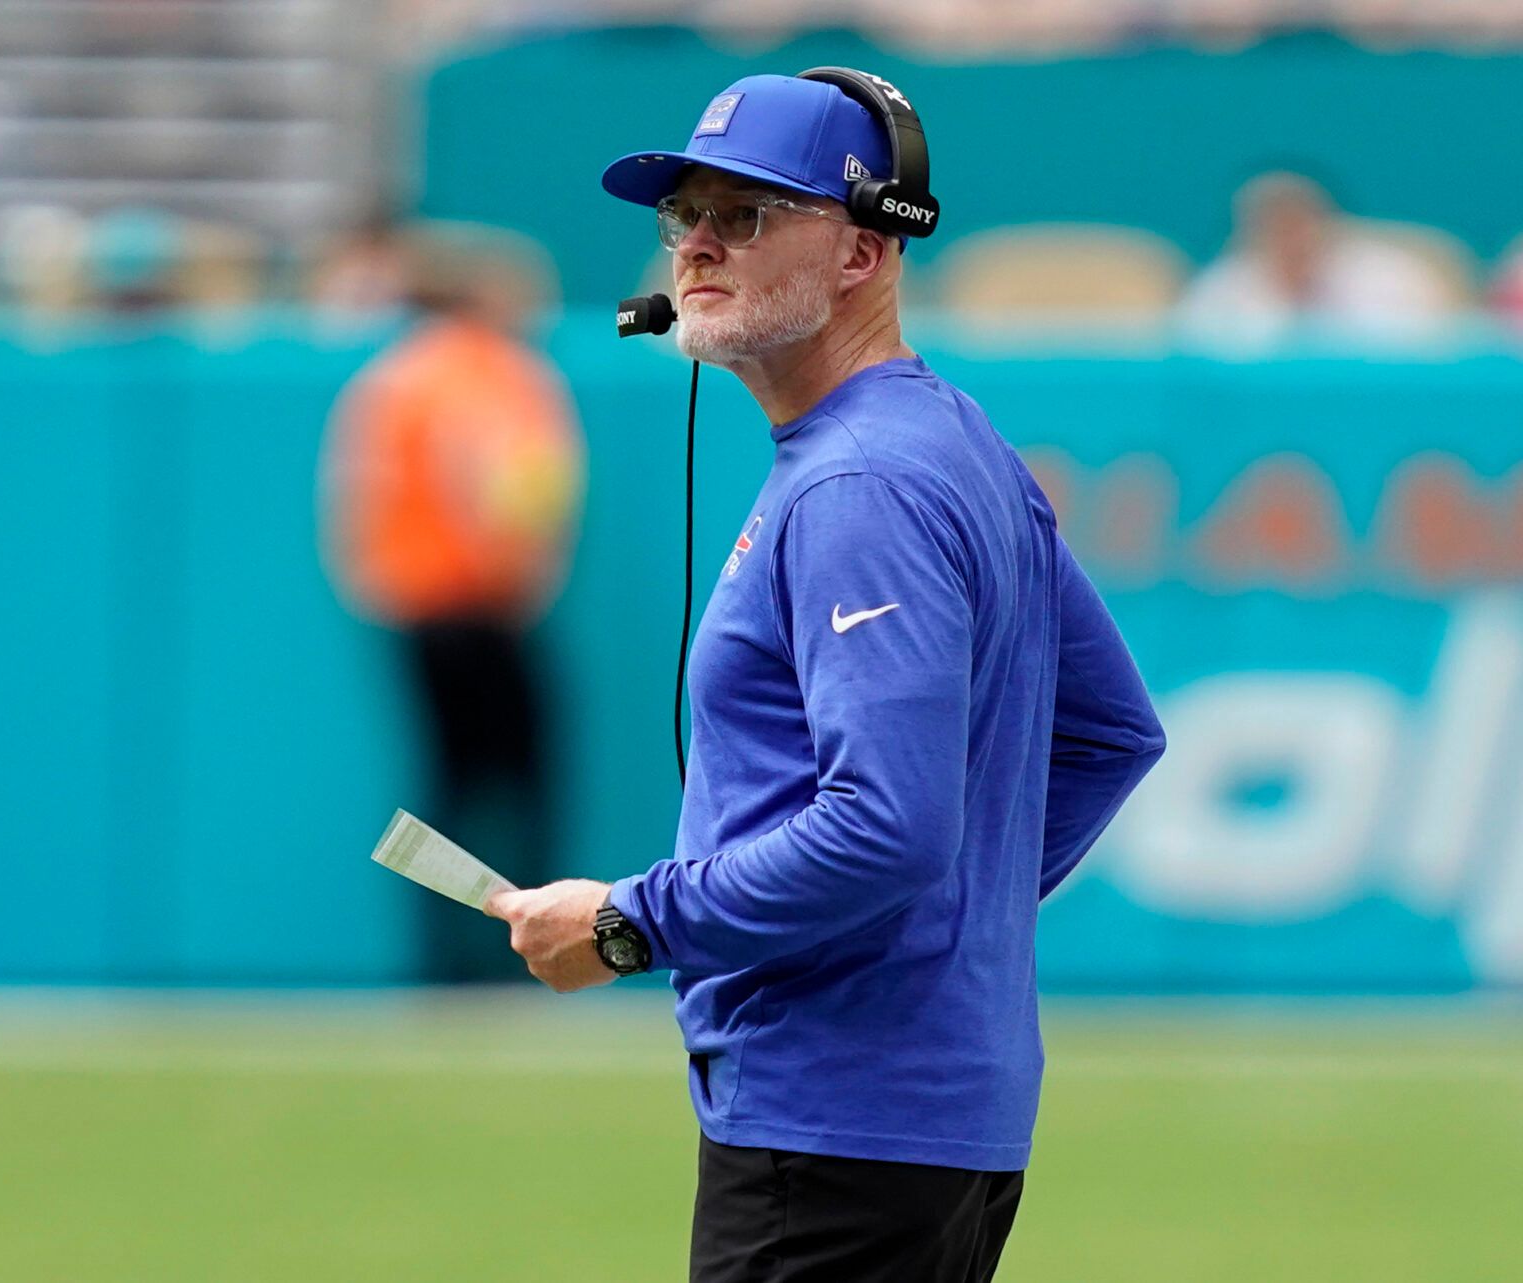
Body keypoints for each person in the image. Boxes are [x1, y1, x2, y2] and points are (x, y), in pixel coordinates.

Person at [483, 72, 1166, 1281]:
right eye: (684, 214)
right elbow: (1111, 734)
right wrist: (941, 930)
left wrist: (628, 922)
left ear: (860, 253)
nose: (696, 243)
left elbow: (889, 823)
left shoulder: (861, 484)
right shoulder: (947, 439)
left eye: (745, 216)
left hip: (835, 1119)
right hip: (924, 1113)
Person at [321, 225, 584, 983]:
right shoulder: (494, 372)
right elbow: (515, 488)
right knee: (524, 778)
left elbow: (351, 501)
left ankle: (439, 958)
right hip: (482, 606)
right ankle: (531, 953)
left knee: (442, 782)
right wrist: (525, 571)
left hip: (412, 609)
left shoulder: (391, 375)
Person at [1175, 170, 1454, 344]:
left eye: (1300, 222)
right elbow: (1197, 366)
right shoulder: (1221, 289)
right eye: (1273, 226)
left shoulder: (1395, 278)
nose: (1291, 238)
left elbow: (1430, 357)